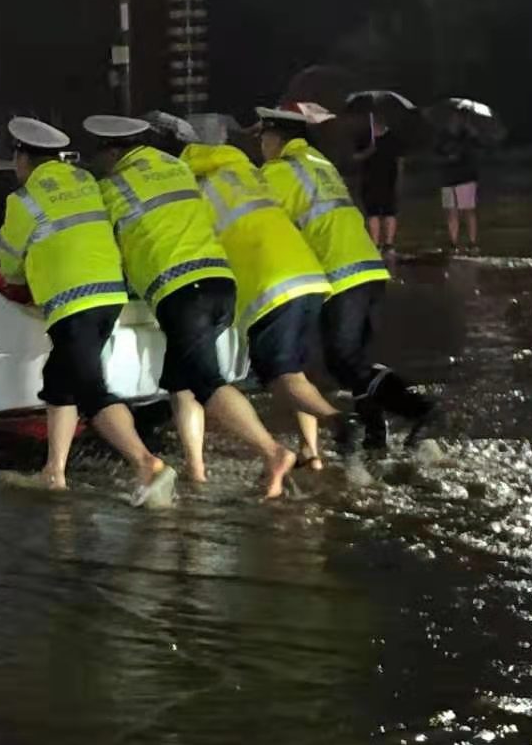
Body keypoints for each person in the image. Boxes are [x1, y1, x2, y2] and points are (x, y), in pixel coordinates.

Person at [85, 113, 297, 498]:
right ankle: (196, 471)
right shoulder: (177, 169)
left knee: (204, 381)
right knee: (181, 383)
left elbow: (102, 241)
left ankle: (272, 451)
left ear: (113, 153)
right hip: (219, 281)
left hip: (182, 290)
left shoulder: (114, 187)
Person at [0, 116, 176, 505]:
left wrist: (20, 276)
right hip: (109, 293)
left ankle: (145, 463)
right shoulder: (85, 182)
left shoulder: (23, 199)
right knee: (61, 379)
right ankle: (54, 472)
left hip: (72, 300)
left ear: (23, 158)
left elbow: (10, 263)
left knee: (91, 390)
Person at [258, 105, 439, 450]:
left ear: (276, 138)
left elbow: (257, 217)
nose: (261, 147)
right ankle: (374, 436)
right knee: (355, 360)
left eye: (263, 139)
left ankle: (418, 410)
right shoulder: (319, 163)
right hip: (369, 266)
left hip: (340, 273)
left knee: (342, 362)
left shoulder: (279, 172)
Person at [181, 126, 353, 470]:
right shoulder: (247, 171)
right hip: (309, 276)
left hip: (272, 285)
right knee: (296, 372)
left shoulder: (195, 189)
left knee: (281, 375)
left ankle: (339, 421)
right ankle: (311, 452)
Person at [354, 113, 403, 250]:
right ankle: (375, 244)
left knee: (389, 212)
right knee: (373, 213)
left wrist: (399, 179)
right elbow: (355, 157)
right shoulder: (365, 137)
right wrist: (367, 152)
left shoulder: (393, 137)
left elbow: (399, 160)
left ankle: (389, 243)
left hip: (388, 180)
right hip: (370, 181)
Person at [437, 123, 481, 251]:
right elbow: (437, 152)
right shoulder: (442, 135)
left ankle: (472, 242)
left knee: (468, 210)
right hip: (448, 179)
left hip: (465, 178)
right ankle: (453, 242)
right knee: (451, 211)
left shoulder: (469, 135)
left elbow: (477, 151)